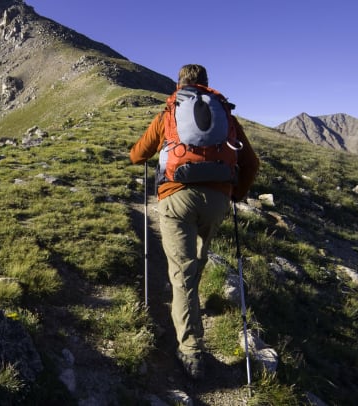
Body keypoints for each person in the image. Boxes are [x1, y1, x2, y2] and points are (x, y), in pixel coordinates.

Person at [129, 64, 260, 380]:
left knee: (182, 273)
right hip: (217, 199)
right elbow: (251, 163)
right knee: (196, 262)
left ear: (180, 84)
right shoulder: (225, 115)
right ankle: (190, 305)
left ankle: (190, 350)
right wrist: (236, 195)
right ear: (206, 84)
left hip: (177, 198)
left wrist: (138, 154)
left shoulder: (170, 113)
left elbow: (138, 155)